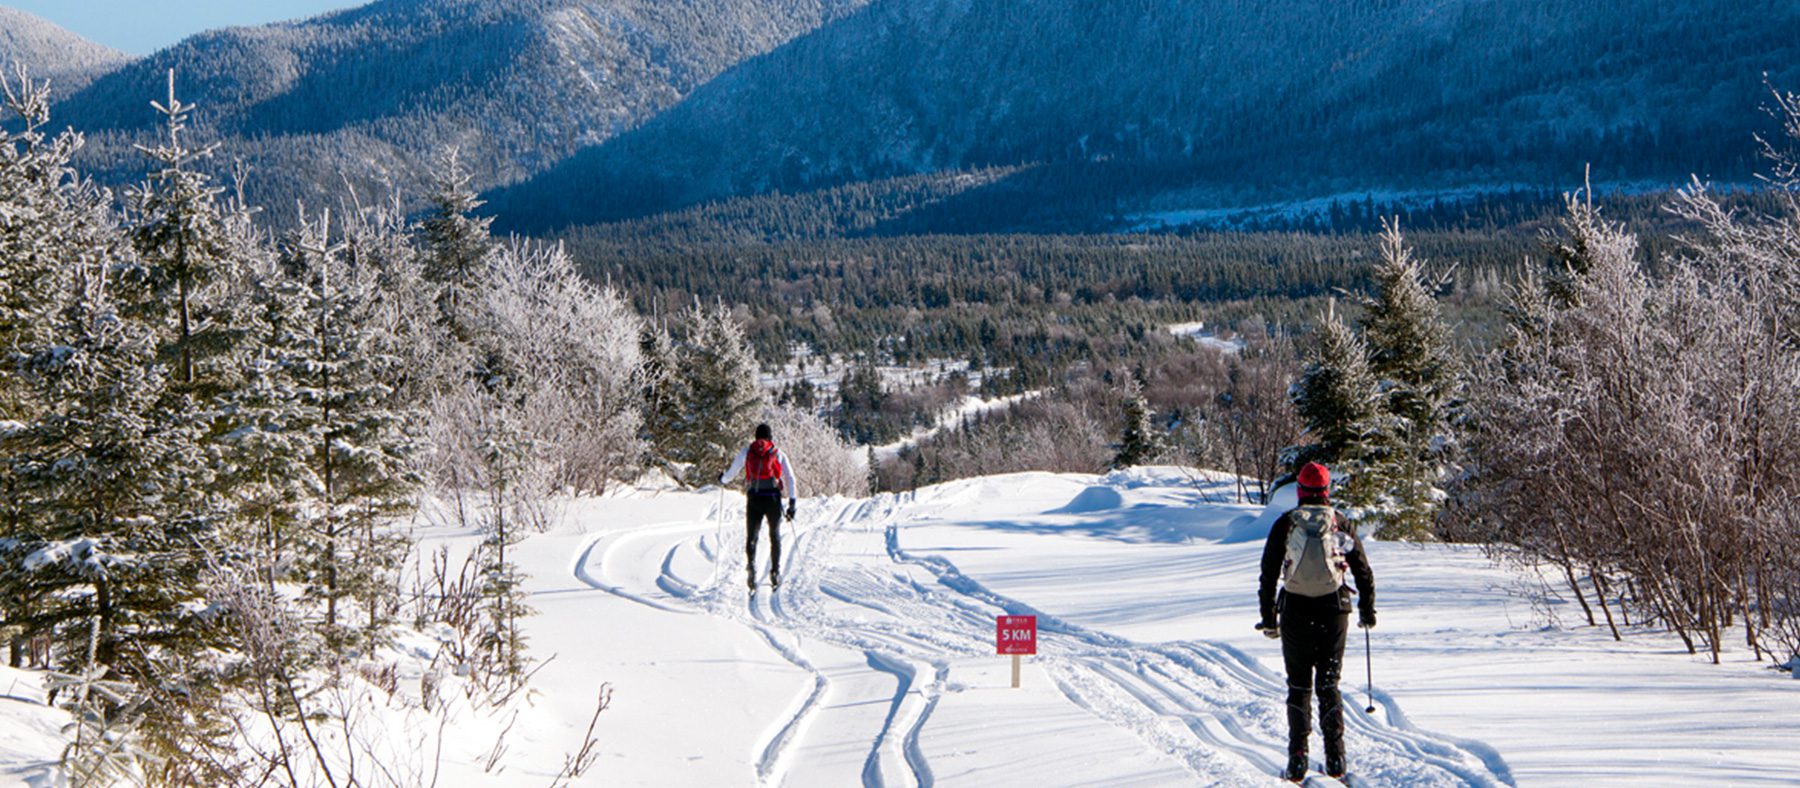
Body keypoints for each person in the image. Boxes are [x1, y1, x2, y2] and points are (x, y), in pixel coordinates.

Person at [1256, 462, 1375, 782]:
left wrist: (1268, 618)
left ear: (1300, 491)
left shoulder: (1286, 523)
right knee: (1328, 684)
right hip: (1334, 610)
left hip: (1295, 611)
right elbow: (1362, 569)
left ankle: (1297, 759)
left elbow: (1268, 574)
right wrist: (1367, 609)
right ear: (1326, 490)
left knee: (1299, 686)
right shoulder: (1339, 523)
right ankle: (1336, 758)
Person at [720, 423, 798, 591]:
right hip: (773, 499)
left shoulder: (747, 452)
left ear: (756, 437)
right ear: (770, 437)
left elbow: (732, 472)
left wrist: (723, 479)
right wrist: (792, 503)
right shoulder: (777, 453)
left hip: (754, 497)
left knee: (752, 536)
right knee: (774, 536)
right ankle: (775, 572)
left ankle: (751, 566)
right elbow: (790, 478)